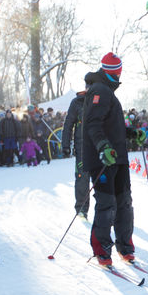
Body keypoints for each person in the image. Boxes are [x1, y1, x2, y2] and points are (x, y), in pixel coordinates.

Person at [82, 52, 142, 266]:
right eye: (118, 71)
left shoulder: (107, 91)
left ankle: (125, 247)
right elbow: (92, 124)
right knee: (107, 204)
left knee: (124, 203)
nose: (119, 74)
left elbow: (111, 126)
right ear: (113, 71)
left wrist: (131, 133)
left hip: (118, 158)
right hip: (103, 159)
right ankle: (102, 251)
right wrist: (103, 147)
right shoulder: (98, 90)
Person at [61, 89, 89, 219]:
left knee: (102, 179)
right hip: (82, 146)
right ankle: (81, 208)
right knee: (82, 177)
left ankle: (106, 210)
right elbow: (68, 124)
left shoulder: (102, 99)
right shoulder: (77, 102)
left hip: (99, 146)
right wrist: (65, 145)